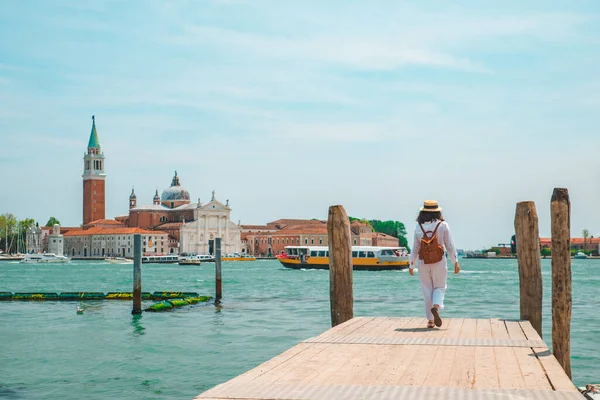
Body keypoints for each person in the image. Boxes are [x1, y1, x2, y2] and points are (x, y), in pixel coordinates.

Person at [409, 200, 460, 329]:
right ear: (438, 211)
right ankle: (436, 306)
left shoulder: (418, 227)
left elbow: (415, 248)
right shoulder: (443, 225)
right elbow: (450, 245)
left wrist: (411, 265)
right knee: (440, 287)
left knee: (427, 290)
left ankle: (430, 321)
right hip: (439, 261)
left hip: (422, 261)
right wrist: (455, 262)